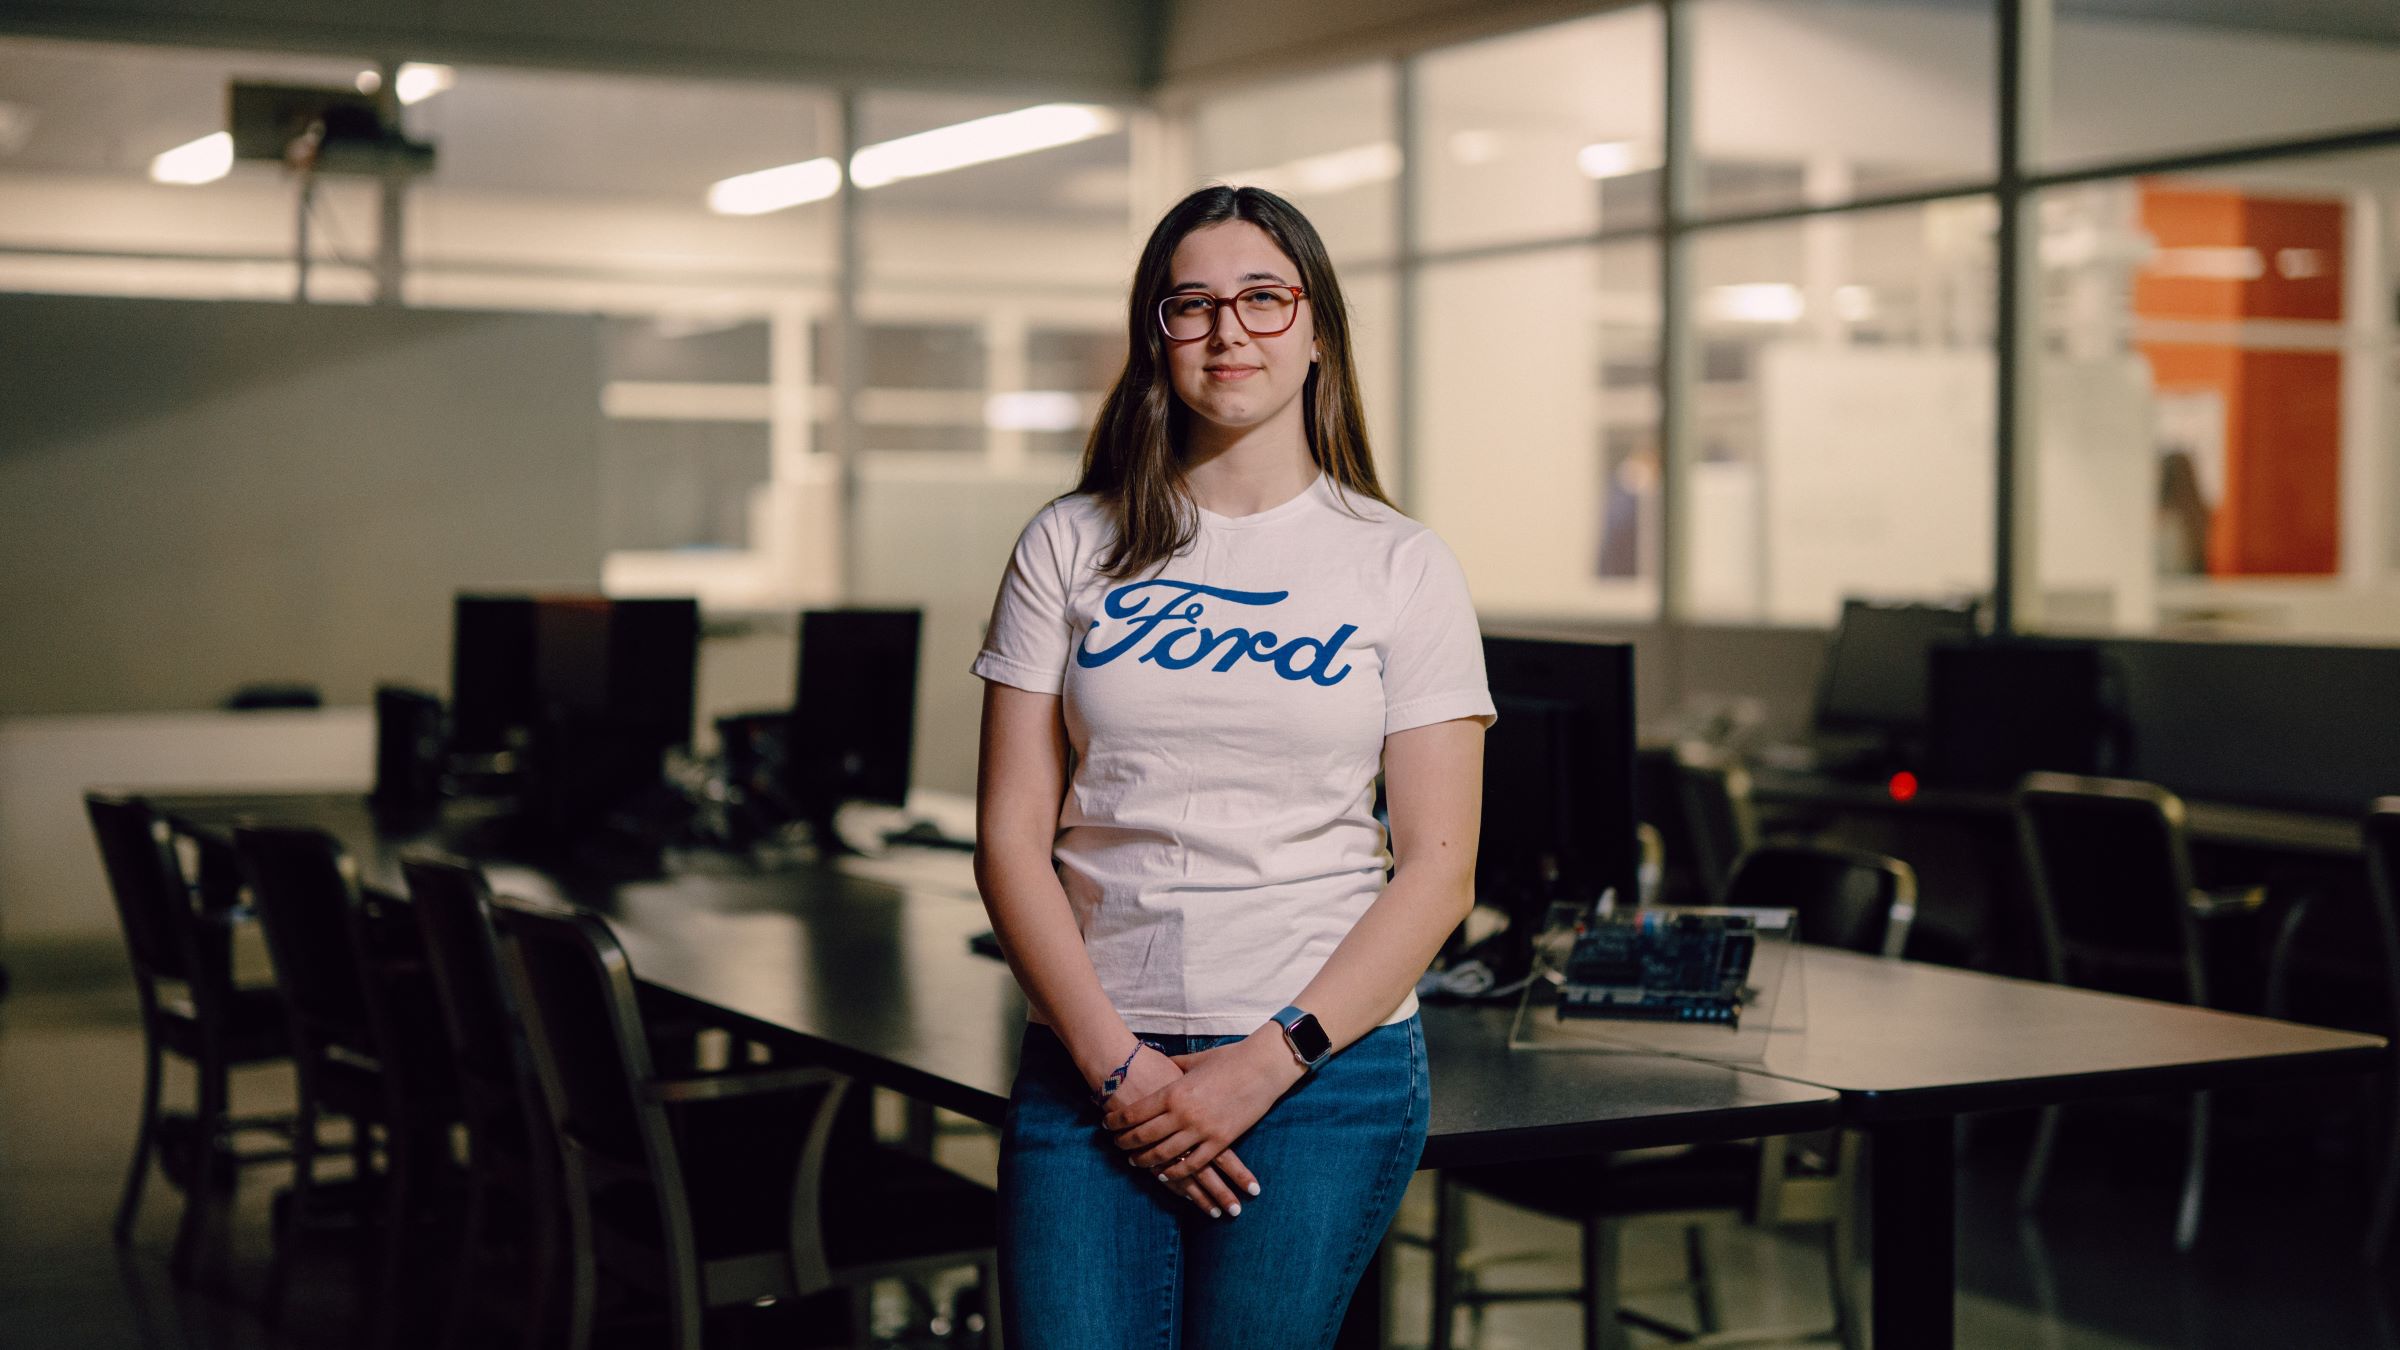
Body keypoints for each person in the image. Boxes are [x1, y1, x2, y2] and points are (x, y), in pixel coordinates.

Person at [970, 183, 1495, 1347]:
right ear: (1156, 337)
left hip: (1321, 1077)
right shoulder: (1070, 542)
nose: (1229, 331)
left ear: (1317, 329)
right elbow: (1011, 838)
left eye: (1264, 297)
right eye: (1192, 305)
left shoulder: (1401, 565)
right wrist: (1121, 1075)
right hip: (1093, 1061)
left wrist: (1265, 1064)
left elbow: (1438, 871)